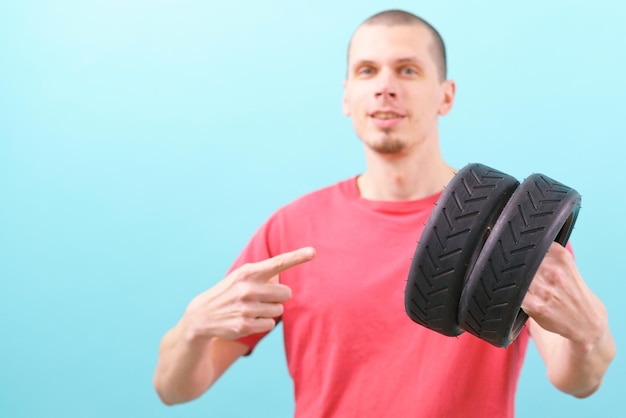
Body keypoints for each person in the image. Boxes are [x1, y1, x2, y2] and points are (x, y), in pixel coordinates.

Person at [153, 9, 616, 417]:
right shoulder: (292, 229)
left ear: (446, 95)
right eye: (367, 71)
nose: (385, 87)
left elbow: (575, 378)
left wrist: (593, 334)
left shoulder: (511, 227)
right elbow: (174, 389)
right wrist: (192, 327)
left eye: (408, 70)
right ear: (347, 96)